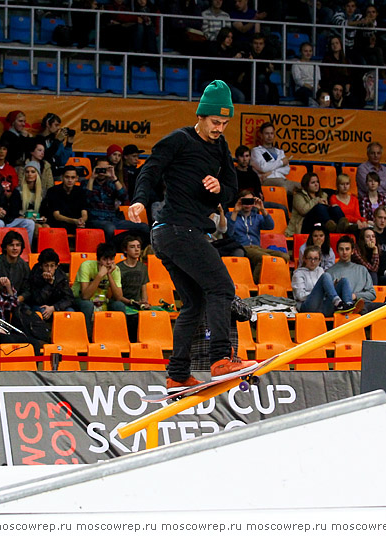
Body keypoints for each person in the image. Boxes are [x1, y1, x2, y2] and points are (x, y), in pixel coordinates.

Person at [128, 79, 256, 393]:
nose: (219, 128)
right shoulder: (179, 140)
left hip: (173, 234)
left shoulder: (222, 147)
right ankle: (221, 359)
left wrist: (219, 188)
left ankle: (177, 373)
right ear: (200, 116)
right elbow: (150, 169)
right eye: (215, 122)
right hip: (176, 229)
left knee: (194, 302)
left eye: (225, 123)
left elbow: (230, 189)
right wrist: (140, 199)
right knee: (222, 287)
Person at [227, 190, 289, 280]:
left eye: (250, 201)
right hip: (242, 247)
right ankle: (256, 282)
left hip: (257, 247)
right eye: (245, 201)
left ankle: (275, 279)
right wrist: (235, 211)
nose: (248, 204)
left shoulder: (257, 217)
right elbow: (229, 233)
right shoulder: (231, 215)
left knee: (285, 256)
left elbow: (270, 226)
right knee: (264, 258)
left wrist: (262, 209)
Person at [86, 157, 149, 243]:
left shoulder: (111, 184)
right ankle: (110, 250)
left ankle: (140, 251)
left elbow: (124, 197)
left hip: (113, 219)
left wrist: (114, 177)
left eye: (105, 169)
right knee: (110, 228)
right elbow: (86, 199)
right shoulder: (87, 183)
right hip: (95, 219)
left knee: (144, 227)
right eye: (99, 169)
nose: (102, 172)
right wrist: (92, 178)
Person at [73, 242, 127, 337]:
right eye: (105, 259)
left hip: (103, 300)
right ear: (98, 260)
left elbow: (118, 297)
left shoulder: (115, 270)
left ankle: (119, 337)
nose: (109, 263)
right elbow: (85, 296)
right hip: (79, 299)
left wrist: (109, 275)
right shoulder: (86, 266)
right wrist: (99, 276)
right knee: (87, 305)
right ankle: (87, 338)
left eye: (111, 259)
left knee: (119, 305)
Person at [293, 244, 362, 316]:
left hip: (323, 306)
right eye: (310, 258)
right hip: (308, 306)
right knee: (326, 276)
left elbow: (326, 293)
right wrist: (318, 293)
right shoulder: (298, 273)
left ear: (320, 260)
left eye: (316, 259)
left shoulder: (320, 270)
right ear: (304, 259)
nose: (313, 261)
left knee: (344, 280)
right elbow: (300, 296)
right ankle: (338, 303)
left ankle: (349, 305)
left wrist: (331, 287)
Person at [23, 248, 75, 323]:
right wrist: (49, 284)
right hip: (39, 305)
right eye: (46, 266)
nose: (49, 269)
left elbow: (69, 298)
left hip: (56, 306)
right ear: (41, 266)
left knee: (70, 312)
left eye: (52, 266)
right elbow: (37, 300)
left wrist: (54, 307)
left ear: (56, 266)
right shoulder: (35, 275)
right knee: (44, 312)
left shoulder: (61, 276)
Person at [287, 172, 346, 236]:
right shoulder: (298, 196)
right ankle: (331, 227)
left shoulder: (323, 195)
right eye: (313, 183)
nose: (316, 184)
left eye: (317, 182)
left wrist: (330, 207)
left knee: (335, 208)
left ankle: (344, 226)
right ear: (306, 185)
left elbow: (324, 212)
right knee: (319, 207)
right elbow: (303, 211)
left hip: (319, 224)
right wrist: (316, 201)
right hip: (303, 226)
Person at [327, 235, 376, 305]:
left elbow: (372, 295)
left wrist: (355, 296)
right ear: (337, 251)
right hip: (343, 306)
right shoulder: (330, 272)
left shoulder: (362, 270)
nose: (344, 252)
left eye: (347, 249)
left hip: (364, 303)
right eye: (341, 249)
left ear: (352, 251)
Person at [42, 165, 88, 234]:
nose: (70, 180)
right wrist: (74, 221)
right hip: (58, 223)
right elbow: (56, 216)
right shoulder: (53, 191)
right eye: (67, 177)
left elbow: (84, 212)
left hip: (76, 224)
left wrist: (82, 221)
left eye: (73, 177)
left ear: (77, 178)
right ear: (62, 177)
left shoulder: (81, 191)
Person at [250, 122, 293, 193]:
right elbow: (263, 168)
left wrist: (271, 171)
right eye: (267, 134)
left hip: (282, 179)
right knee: (283, 185)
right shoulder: (256, 151)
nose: (270, 136)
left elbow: (286, 169)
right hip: (266, 180)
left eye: (271, 133)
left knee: (303, 187)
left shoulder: (280, 152)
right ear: (261, 135)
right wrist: (281, 162)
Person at [0, 230, 31, 298]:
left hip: (17, 302)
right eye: (11, 245)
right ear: (5, 247)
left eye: (18, 245)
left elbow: (27, 290)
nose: (15, 248)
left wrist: (17, 300)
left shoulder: (24, 266)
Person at [116, 234, 149, 310]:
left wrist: (145, 302)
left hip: (137, 304)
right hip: (122, 303)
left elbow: (143, 288)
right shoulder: (118, 268)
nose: (137, 249)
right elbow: (117, 295)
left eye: (138, 246)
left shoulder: (142, 267)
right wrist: (131, 302)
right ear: (125, 250)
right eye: (132, 247)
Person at [292, 42, 320, 107]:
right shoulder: (296, 64)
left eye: (310, 51)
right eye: (305, 51)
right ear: (301, 52)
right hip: (302, 89)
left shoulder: (316, 65)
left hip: (314, 88)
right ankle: (313, 107)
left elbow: (317, 80)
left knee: (326, 94)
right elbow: (298, 81)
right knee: (306, 92)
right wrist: (310, 87)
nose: (308, 53)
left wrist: (316, 87)